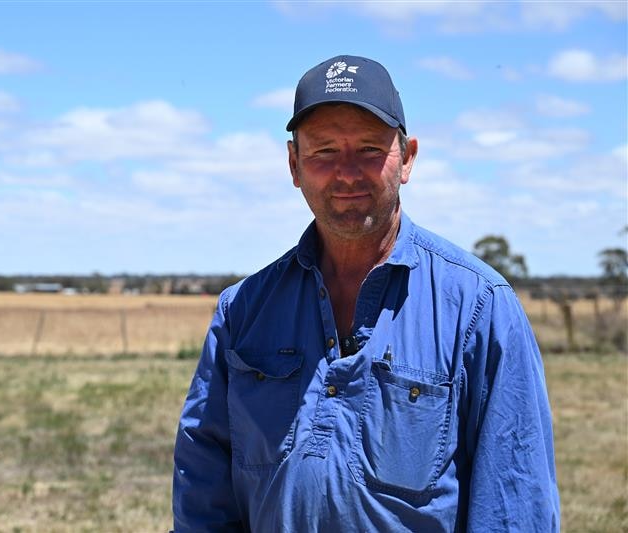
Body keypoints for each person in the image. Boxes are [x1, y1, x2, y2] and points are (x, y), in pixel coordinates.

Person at [172, 54, 560, 532]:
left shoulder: (479, 308)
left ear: (408, 158)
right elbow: (202, 488)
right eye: (325, 152)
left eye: (371, 150)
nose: (348, 173)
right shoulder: (243, 312)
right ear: (294, 164)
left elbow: (514, 504)